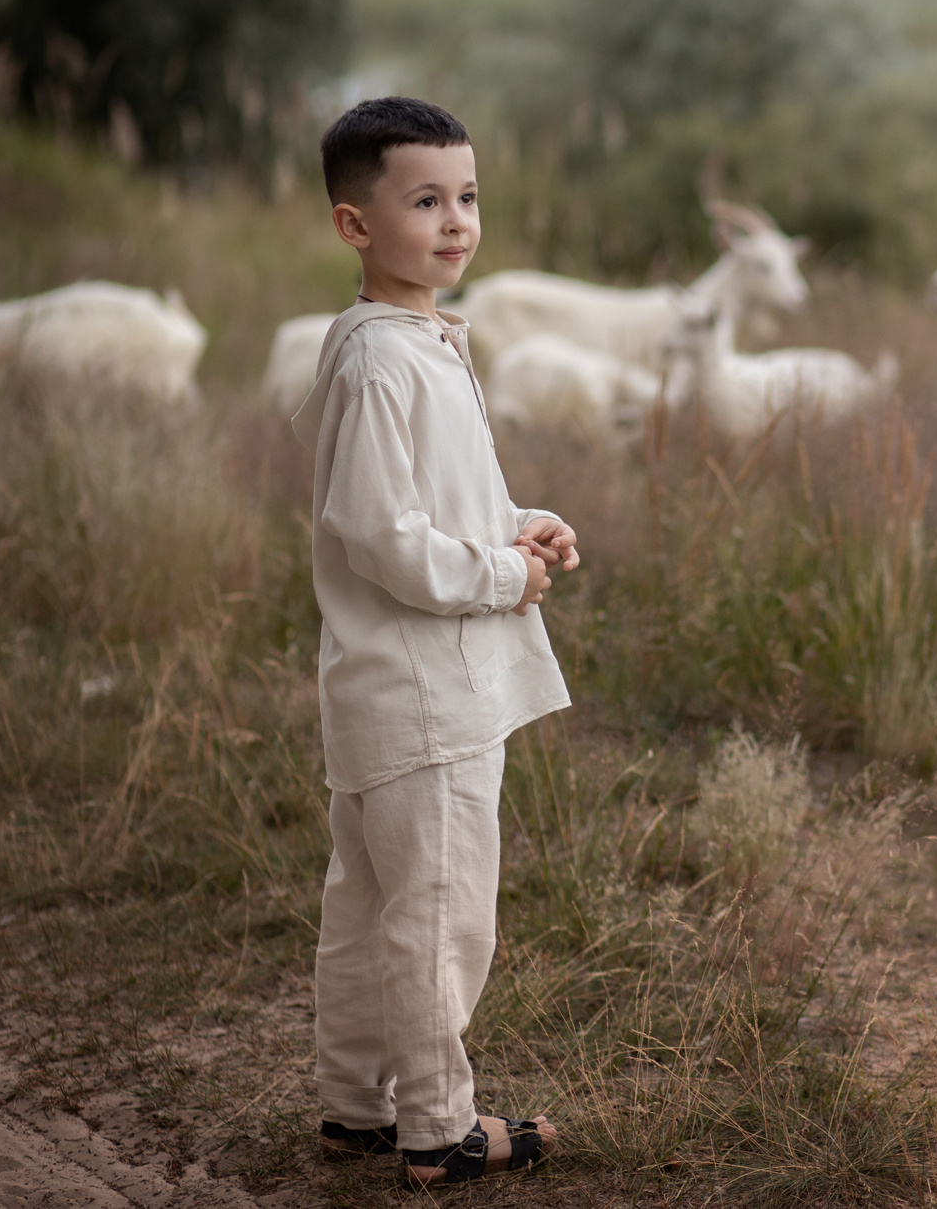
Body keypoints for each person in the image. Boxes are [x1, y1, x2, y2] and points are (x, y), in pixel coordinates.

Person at [290, 96, 578, 1187]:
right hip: (426, 700)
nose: (455, 221)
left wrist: (517, 524)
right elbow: (375, 534)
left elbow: (428, 505)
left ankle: (355, 1109)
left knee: (368, 911)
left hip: (390, 692)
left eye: (465, 196)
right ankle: (437, 1129)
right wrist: (506, 577)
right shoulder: (384, 361)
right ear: (355, 226)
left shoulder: (413, 342)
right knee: (440, 915)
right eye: (423, 200)